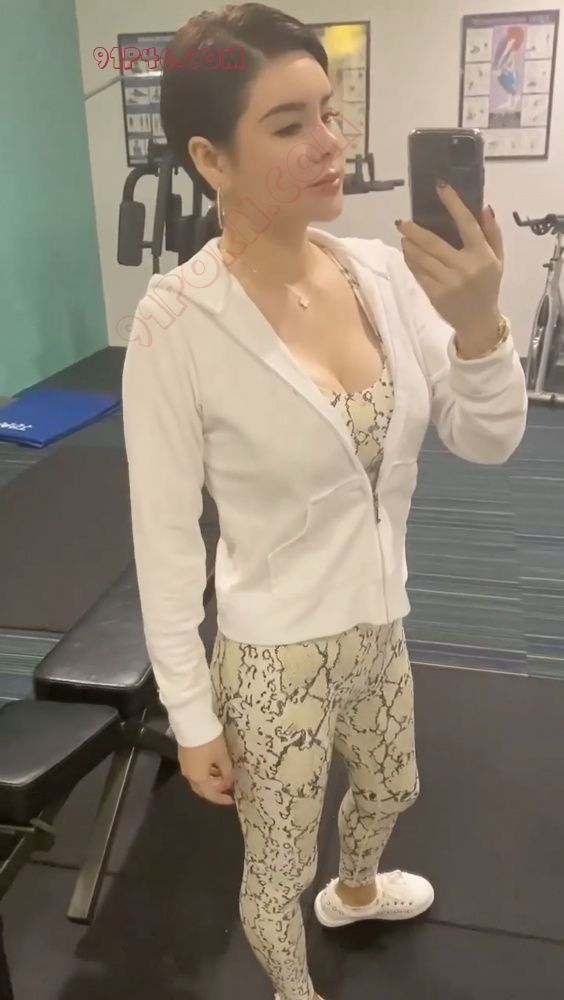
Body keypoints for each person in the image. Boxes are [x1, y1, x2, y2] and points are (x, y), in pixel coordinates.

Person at [121, 6, 528, 1000]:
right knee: (277, 860)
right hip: (275, 655)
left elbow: (487, 438)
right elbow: (165, 543)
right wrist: (192, 716)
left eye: (331, 113)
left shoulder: (380, 272)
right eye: (290, 123)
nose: (332, 143)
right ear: (211, 159)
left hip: (380, 621)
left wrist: (479, 326)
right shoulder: (176, 322)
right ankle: (292, 988)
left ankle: (355, 891)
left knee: (393, 785)